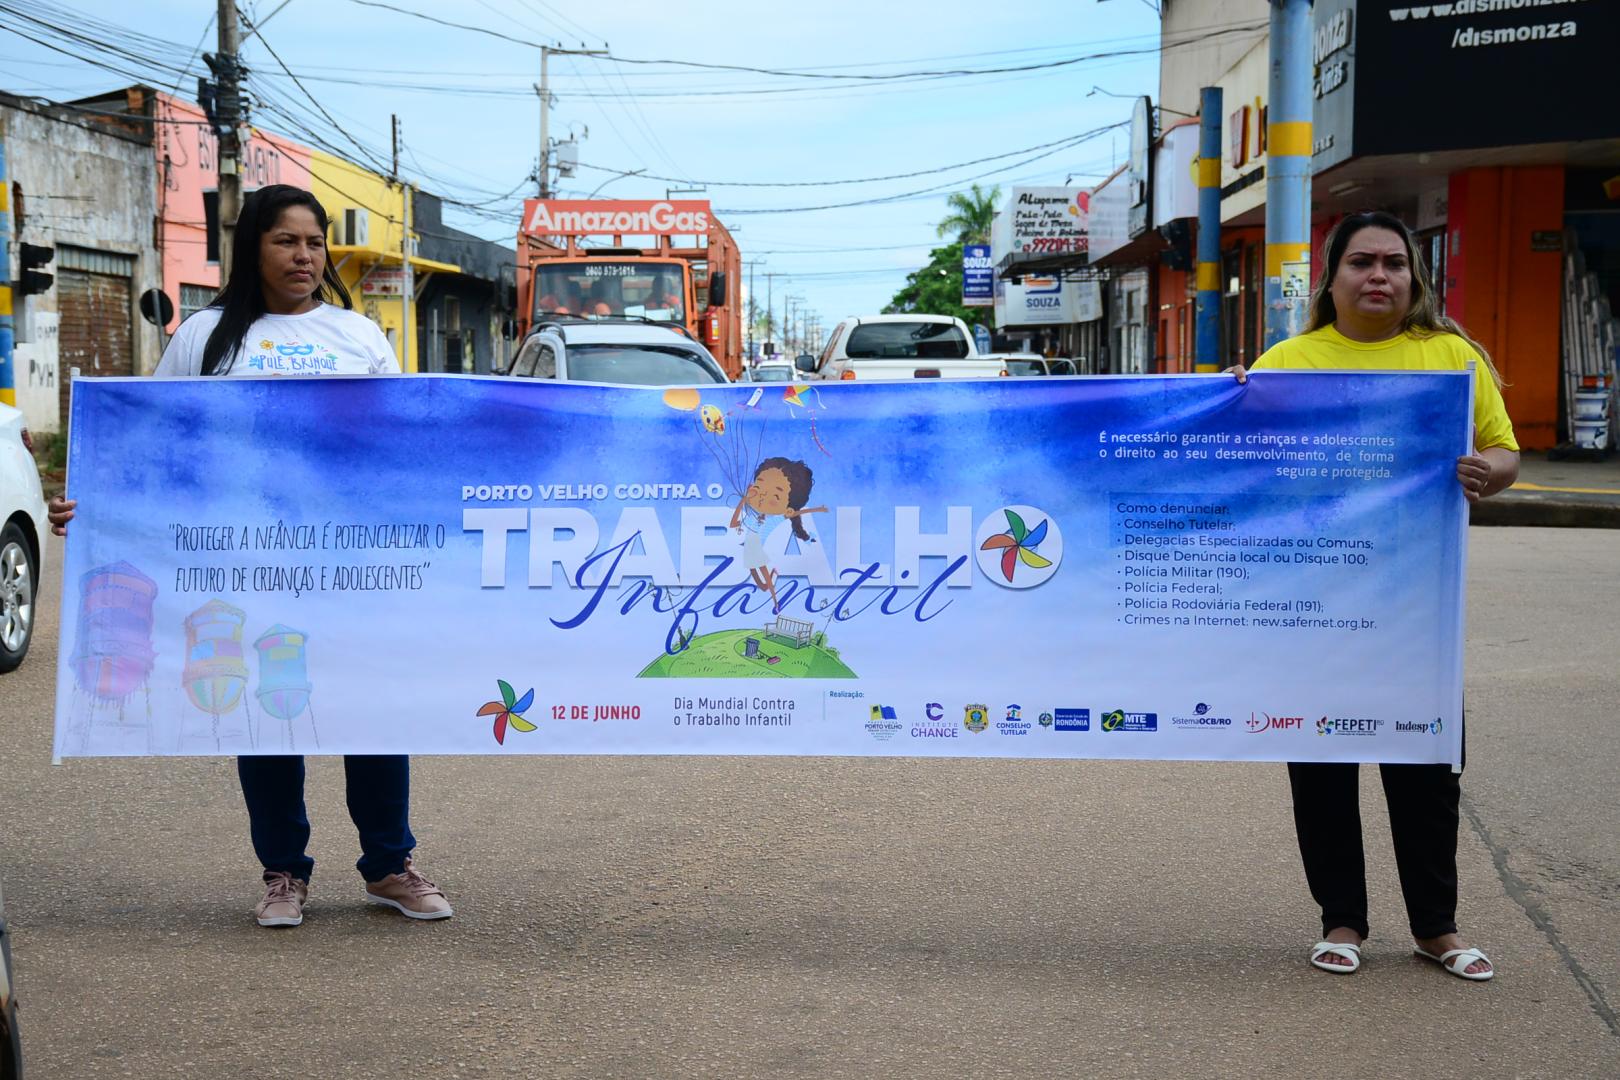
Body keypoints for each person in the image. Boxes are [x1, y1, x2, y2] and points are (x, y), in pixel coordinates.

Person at [47, 184, 452, 929]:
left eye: (314, 242)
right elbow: (155, 443)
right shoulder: (204, 337)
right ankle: (283, 874)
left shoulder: (358, 338)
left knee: (370, 707)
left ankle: (389, 865)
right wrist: (92, 504)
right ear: (253, 248)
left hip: (350, 563)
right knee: (267, 711)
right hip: (245, 561)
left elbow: (399, 450)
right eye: (285, 241)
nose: (304, 257)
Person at [1233, 211, 1517, 981]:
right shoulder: (1288, 361)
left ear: (1415, 277)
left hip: (1413, 611)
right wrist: (1229, 406)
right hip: (1311, 607)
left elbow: (1504, 452)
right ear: (1331, 278)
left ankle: (1437, 929)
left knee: (1426, 768)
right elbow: (1239, 461)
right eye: (1362, 262)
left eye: (1395, 262)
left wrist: (1487, 473)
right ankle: (1343, 921)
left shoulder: (1449, 357)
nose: (1380, 276)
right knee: (1321, 769)